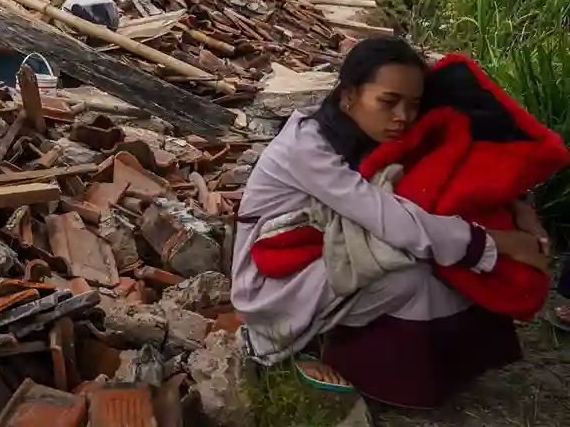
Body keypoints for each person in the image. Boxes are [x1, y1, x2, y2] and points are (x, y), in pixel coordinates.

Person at [231, 37, 551, 408]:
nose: (403, 116)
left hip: (330, 248)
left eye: (413, 104)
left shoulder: (370, 129)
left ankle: (426, 362)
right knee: (410, 266)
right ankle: (289, 342)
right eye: (389, 102)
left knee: (438, 241)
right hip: (276, 278)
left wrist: (518, 206)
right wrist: (495, 244)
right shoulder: (307, 148)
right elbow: (392, 220)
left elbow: (460, 162)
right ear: (348, 96)